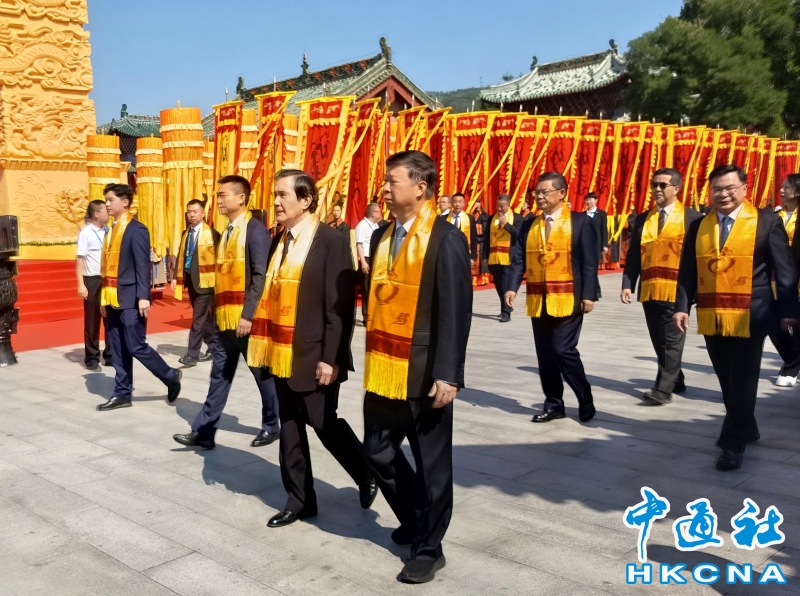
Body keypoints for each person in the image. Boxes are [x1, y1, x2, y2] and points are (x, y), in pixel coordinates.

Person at [362, 151, 472, 584]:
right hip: (384, 365)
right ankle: (415, 518)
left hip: (425, 371)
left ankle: (429, 548)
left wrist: (449, 373)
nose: (386, 189)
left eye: (393, 181)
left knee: (432, 466)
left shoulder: (445, 238)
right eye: (386, 182)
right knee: (377, 451)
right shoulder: (382, 235)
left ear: (420, 187)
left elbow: (455, 312)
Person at [246, 169, 376, 528]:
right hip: (281, 349)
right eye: (274, 195)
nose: (275, 202)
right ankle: (300, 500)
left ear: (305, 200)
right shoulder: (279, 240)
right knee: (289, 425)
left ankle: (365, 470)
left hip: (316, 353)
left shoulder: (331, 241)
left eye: (283, 195)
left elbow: (339, 307)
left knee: (322, 421)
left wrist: (330, 359)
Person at [674, 164, 798, 471]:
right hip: (712, 314)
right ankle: (747, 427)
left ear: (744, 189)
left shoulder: (766, 221)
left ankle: (732, 444)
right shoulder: (700, 225)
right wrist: (681, 306)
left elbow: (784, 269)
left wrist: (788, 310)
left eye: (730, 188)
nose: (723, 194)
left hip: (751, 313)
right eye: (717, 189)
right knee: (726, 377)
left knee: (742, 379)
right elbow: (688, 269)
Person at [173, 175, 280, 449]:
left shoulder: (254, 230)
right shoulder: (227, 232)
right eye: (218, 196)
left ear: (241, 198)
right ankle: (204, 431)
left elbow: (261, 275)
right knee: (219, 376)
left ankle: (272, 425)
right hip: (223, 318)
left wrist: (248, 314)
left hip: (246, 321)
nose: (219, 200)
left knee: (261, 375)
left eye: (223, 195)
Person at [506, 172, 599, 424]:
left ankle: (585, 397)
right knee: (546, 355)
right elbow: (518, 259)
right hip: (539, 297)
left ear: (562, 193)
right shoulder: (530, 224)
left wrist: (589, 294)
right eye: (536, 192)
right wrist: (512, 286)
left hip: (570, 297)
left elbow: (589, 261)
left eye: (544, 192)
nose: (539, 196)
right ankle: (554, 404)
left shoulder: (580, 222)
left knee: (562, 350)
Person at [97, 184, 182, 411]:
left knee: (135, 346)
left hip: (131, 298)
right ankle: (122, 393)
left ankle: (170, 375)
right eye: (106, 200)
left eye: (111, 199)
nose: (107, 204)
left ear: (125, 202)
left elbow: (142, 265)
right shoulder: (110, 231)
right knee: (118, 348)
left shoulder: (136, 229)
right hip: (112, 297)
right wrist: (103, 299)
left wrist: (144, 296)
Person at [621, 168, 702, 404]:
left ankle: (663, 389)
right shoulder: (643, 219)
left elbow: (698, 257)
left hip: (678, 291)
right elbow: (634, 254)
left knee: (671, 340)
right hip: (650, 288)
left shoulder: (693, 218)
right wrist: (628, 283)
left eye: (662, 185)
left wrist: (696, 290)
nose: (657, 189)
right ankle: (677, 379)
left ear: (676, 188)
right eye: (654, 185)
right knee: (659, 339)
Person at [171, 199, 220, 366]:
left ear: (203, 213)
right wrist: (175, 277)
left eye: (195, 211)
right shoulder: (186, 233)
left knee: (198, 319)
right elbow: (181, 254)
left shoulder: (212, 234)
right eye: (189, 212)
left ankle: (192, 355)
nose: (192, 215)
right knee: (205, 318)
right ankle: (214, 347)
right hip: (190, 280)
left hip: (206, 283)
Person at [769, 173, 800, 386]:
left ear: (797, 191)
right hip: (775, 278)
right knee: (772, 323)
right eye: (781, 186)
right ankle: (793, 360)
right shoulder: (775, 215)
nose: (781, 190)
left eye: (786, 187)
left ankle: (791, 369)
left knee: (797, 325)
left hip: (797, 278)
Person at [76, 200, 112, 372]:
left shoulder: (109, 231)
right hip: (93, 280)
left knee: (111, 318)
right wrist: (81, 284)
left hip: (109, 280)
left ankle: (111, 356)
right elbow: (80, 259)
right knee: (92, 320)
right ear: (97, 214)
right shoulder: (86, 233)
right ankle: (91, 358)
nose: (109, 212)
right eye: (106, 210)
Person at [487, 194, 521, 322]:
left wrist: (506, 224)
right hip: (494, 257)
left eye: (502, 206)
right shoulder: (492, 218)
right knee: (499, 286)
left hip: (508, 257)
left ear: (508, 205)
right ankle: (505, 307)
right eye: (498, 206)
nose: (499, 209)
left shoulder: (517, 218)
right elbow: (487, 238)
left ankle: (506, 313)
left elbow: (519, 234)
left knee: (507, 285)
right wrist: (485, 256)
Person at [355, 203, 382, 325]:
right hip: (366, 258)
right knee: (366, 288)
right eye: (379, 211)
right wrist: (363, 262)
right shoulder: (362, 225)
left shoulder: (376, 225)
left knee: (374, 288)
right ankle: (366, 316)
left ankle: (374, 314)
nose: (381, 213)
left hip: (376, 258)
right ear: (373, 213)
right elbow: (359, 244)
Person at [447, 193, 478, 264]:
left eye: (460, 202)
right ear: (451, 203)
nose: (457, 204)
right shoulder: (445, 218)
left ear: (464, 203)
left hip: (464, 252)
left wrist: (472, 257)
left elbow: (474, 238)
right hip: (448, 253)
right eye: (455, 202)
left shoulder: (470, 218)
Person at [472, 199, 490, 285]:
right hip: (474, 240)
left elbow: (485, 228)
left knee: (482, 261)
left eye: (478, 205)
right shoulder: (471, 215)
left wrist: (477, 225)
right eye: (476, 205)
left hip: (482, 240)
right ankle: (474, 279)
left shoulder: (484, 215)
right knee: (474, 259)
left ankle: (483, 279)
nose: (477, 207)